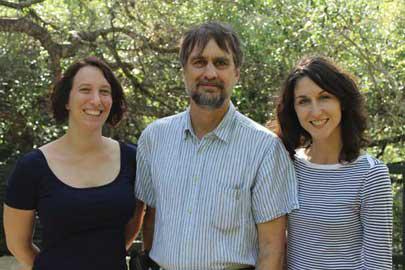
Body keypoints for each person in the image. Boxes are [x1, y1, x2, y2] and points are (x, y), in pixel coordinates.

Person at [135, 22, 299, 270]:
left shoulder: (264, 148)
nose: (209, 73)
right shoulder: (154, 139)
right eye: (199, 62)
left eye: (221, 63)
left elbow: (272, 248)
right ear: (184, 71)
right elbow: (151, 221)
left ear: (237, 73)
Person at [3, 56, 145, 270]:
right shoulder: (32, 167)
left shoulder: (133, 159)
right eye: (85, 90)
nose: (96, 100)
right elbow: (17, 244)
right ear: (67, 100)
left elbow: (134, 223)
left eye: (104, 92)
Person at [273, 56, 392, 269]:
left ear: (342, 102)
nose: (316, 111)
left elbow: (379, 264)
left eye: (324, 97)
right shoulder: (287, 165)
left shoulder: (372, 175)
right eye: (303, 101)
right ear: (294, 109)